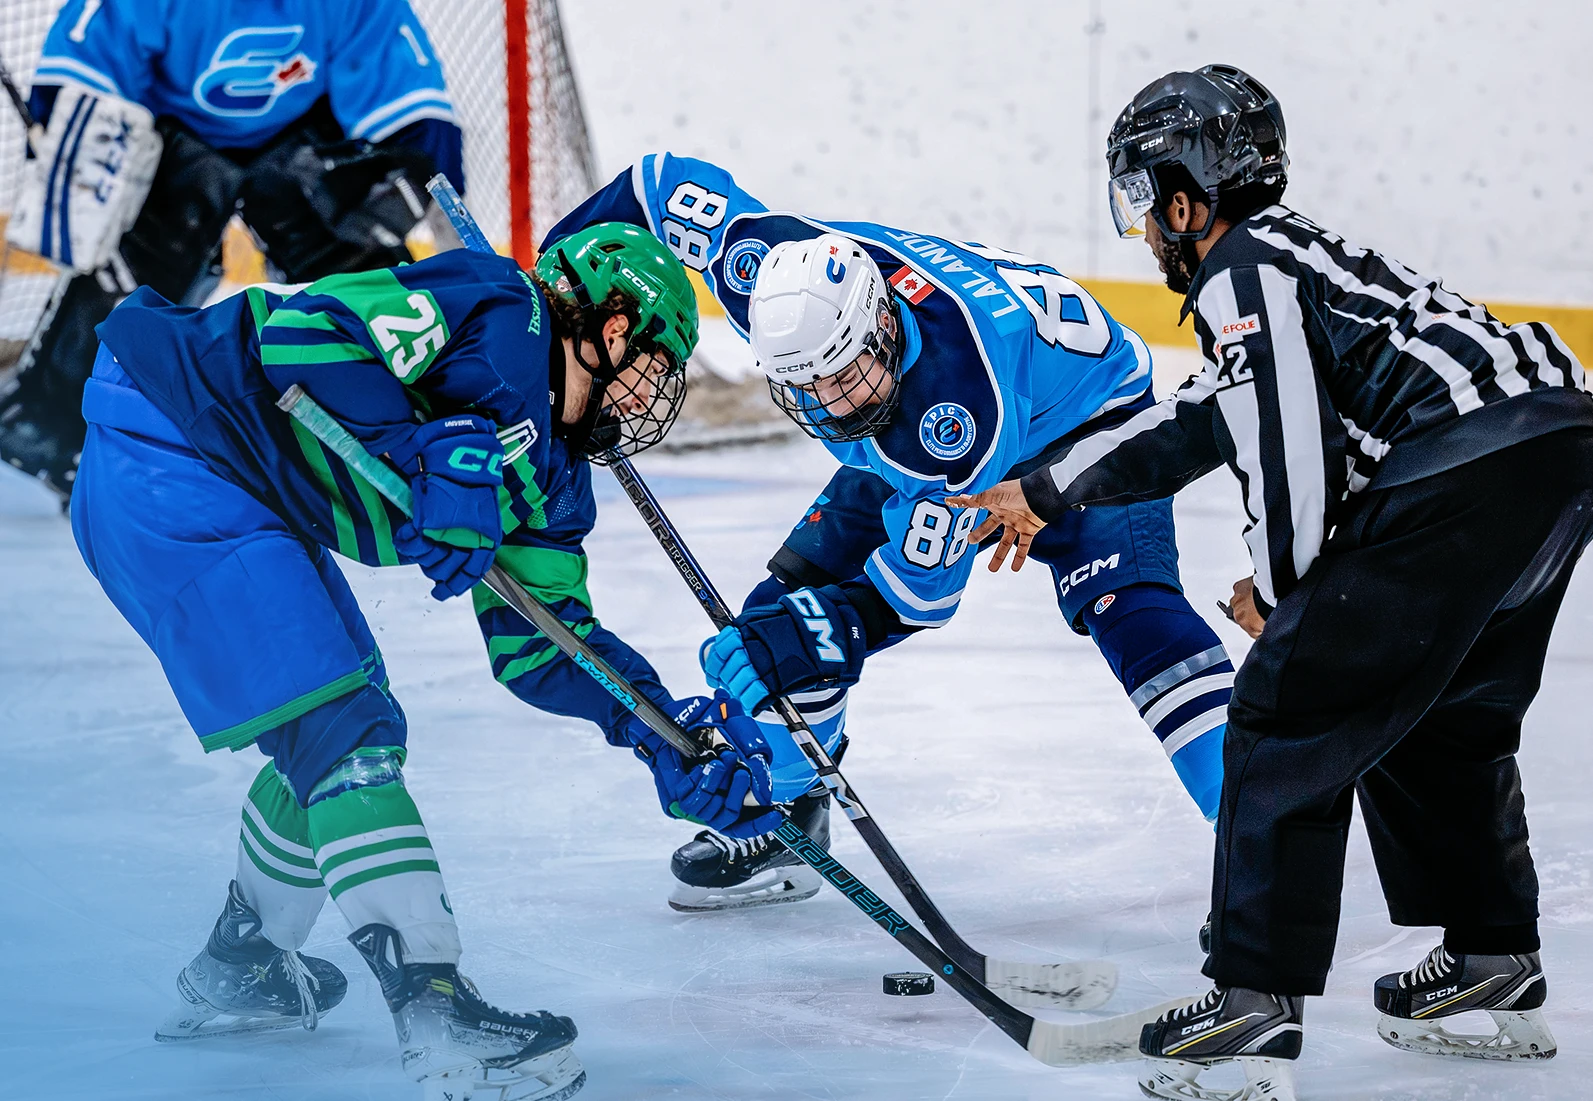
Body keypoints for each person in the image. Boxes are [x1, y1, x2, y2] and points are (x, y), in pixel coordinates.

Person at [949, 64, 1593, 1101]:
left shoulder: (1241, 272)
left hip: (1466, 465)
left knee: (1285, 708)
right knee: (1442, 719)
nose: (1145, 234)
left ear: (1184, 195)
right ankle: (1491, 966)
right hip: (1555, 446)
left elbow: (1285, 450)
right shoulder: (1293, 261)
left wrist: (1289, 596)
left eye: (1141, 203)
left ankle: (1254, 1004)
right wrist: (1046, 489)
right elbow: (1203, 416)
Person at [70, 224, 780, 1098]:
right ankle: (435, 1010)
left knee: (348, 722)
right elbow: (305, 336)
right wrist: (424, 448)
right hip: (171, 438)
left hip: (236, 479)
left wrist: (658, 729)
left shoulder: (555, 480)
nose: (647, 401)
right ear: (613, 325)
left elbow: (542, 644)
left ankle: (243, 962)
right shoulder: (494, 306)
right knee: (344, 734)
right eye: (654, 366)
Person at [546, 153, 1237, 912]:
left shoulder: (954, 422)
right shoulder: (758, 267)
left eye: (840, 376)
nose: (827, 404)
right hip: (930, 414)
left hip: (1087, 418)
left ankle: (1254, 833)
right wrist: (549, 294)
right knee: (784, 606)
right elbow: (654, 179)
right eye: (801, 385)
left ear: (880, 326)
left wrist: (828, 631)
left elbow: (915, 595)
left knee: (1132, 615)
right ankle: (788, 818)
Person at [3, 0, 466, 502]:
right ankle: (54, 427)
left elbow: (407, 96)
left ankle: (423, 420)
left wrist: (415, 157)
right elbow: (91, 52)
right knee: (131, 280)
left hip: (301, 146)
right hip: (170, 140)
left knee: (363, 276)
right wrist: (62, 115)